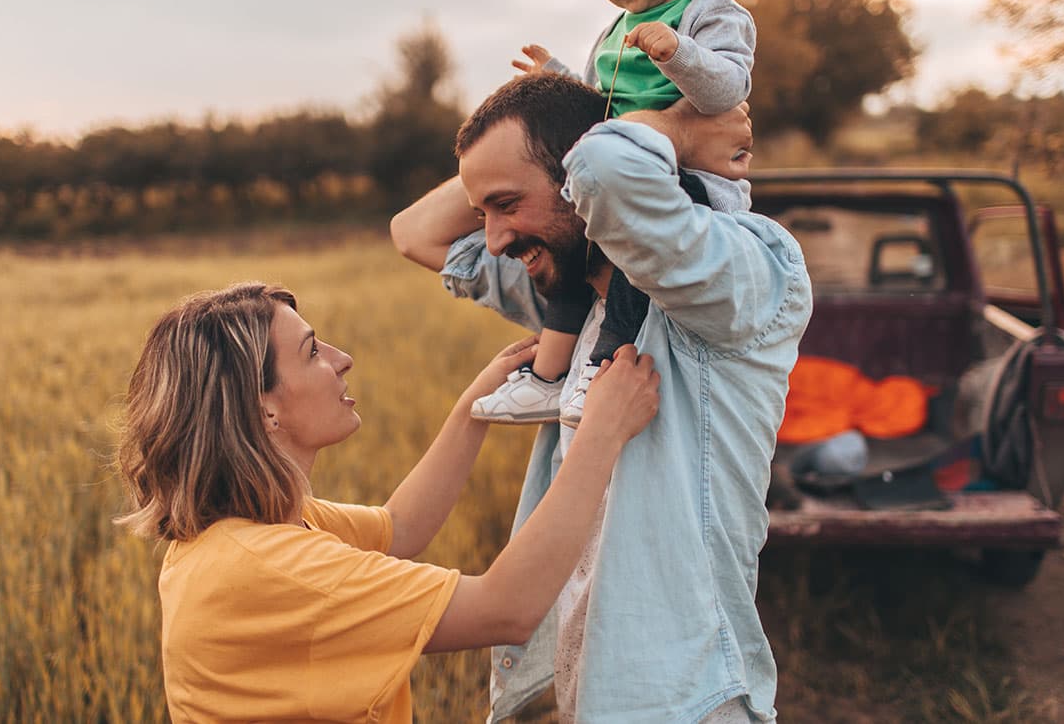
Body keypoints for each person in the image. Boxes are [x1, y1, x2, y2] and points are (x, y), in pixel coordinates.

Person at [390, 73, 811, 722]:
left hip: (685, 696)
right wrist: (567, 126)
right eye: (483, 215)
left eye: (507, 204)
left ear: (578, 186)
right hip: (588, 690)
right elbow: (414, 231)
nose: (496, 239)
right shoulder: (573, 291)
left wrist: (670, 128)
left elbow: (604, 166)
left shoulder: (738, 272)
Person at [114, 280, 661, 723]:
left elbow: (399, 529)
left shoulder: (249, 537)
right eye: (312, 353)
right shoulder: (267, 569)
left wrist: (479, 401)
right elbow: (507, 609)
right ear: (264, 412)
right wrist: (603, 432)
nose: (342, 358)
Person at [471, 0, 756, 427]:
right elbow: (598, 111)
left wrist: (678, 52)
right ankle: (551, 376)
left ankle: (604, 365)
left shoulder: (709, 13)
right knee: (573, 246)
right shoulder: (616, 29)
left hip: (689, 187)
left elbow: (728, 88)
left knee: (627, 256)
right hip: (616, 176)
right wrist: (560, 78)